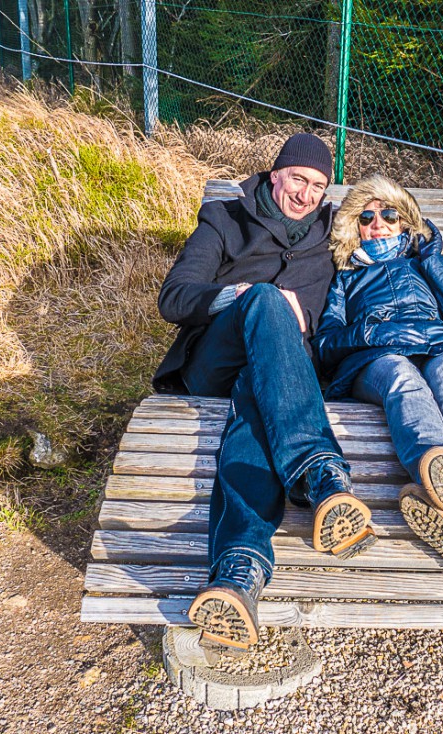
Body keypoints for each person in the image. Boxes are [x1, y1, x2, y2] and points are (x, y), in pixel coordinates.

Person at [154, 134, 376, 653]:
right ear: (275, 175)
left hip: (280, 374)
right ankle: (320, 473)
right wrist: (245, 295)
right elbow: (175, 297)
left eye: (319, 186)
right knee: (265, 301)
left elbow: (394, 238)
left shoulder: (332, 234)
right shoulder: (224, 219)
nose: (306, 195)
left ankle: (238, 574)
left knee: (258, 398)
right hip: (214, 357)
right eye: (298, 179)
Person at [313, 175, 443, 578]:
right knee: (401, 375)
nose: (378, 223)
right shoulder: (345, 277)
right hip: (378, 358)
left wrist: (432, 258)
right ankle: (437, 471)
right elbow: (325, 346)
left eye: (389, 214)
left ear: (404, 221)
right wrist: (370, 333)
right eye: (367, 216)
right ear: (355, 225)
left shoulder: (422, 263)